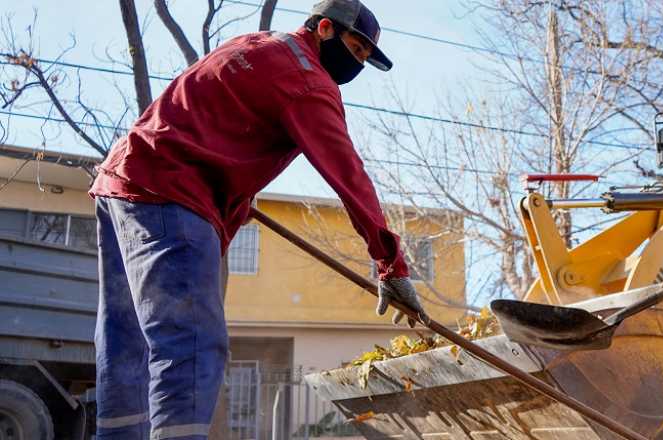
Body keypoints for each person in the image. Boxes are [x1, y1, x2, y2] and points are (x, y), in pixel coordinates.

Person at [88, 1, 426, 437]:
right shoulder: (307, 79)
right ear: (324, 28)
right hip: (171, 192)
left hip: (123, 183)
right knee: (190, 345)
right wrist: (390, 264)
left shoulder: (255, 45)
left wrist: (231, 198)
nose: (357, 65)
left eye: (365, 58)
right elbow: (348, 175)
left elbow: (205, 117)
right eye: (356, 50)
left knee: (126, 342)